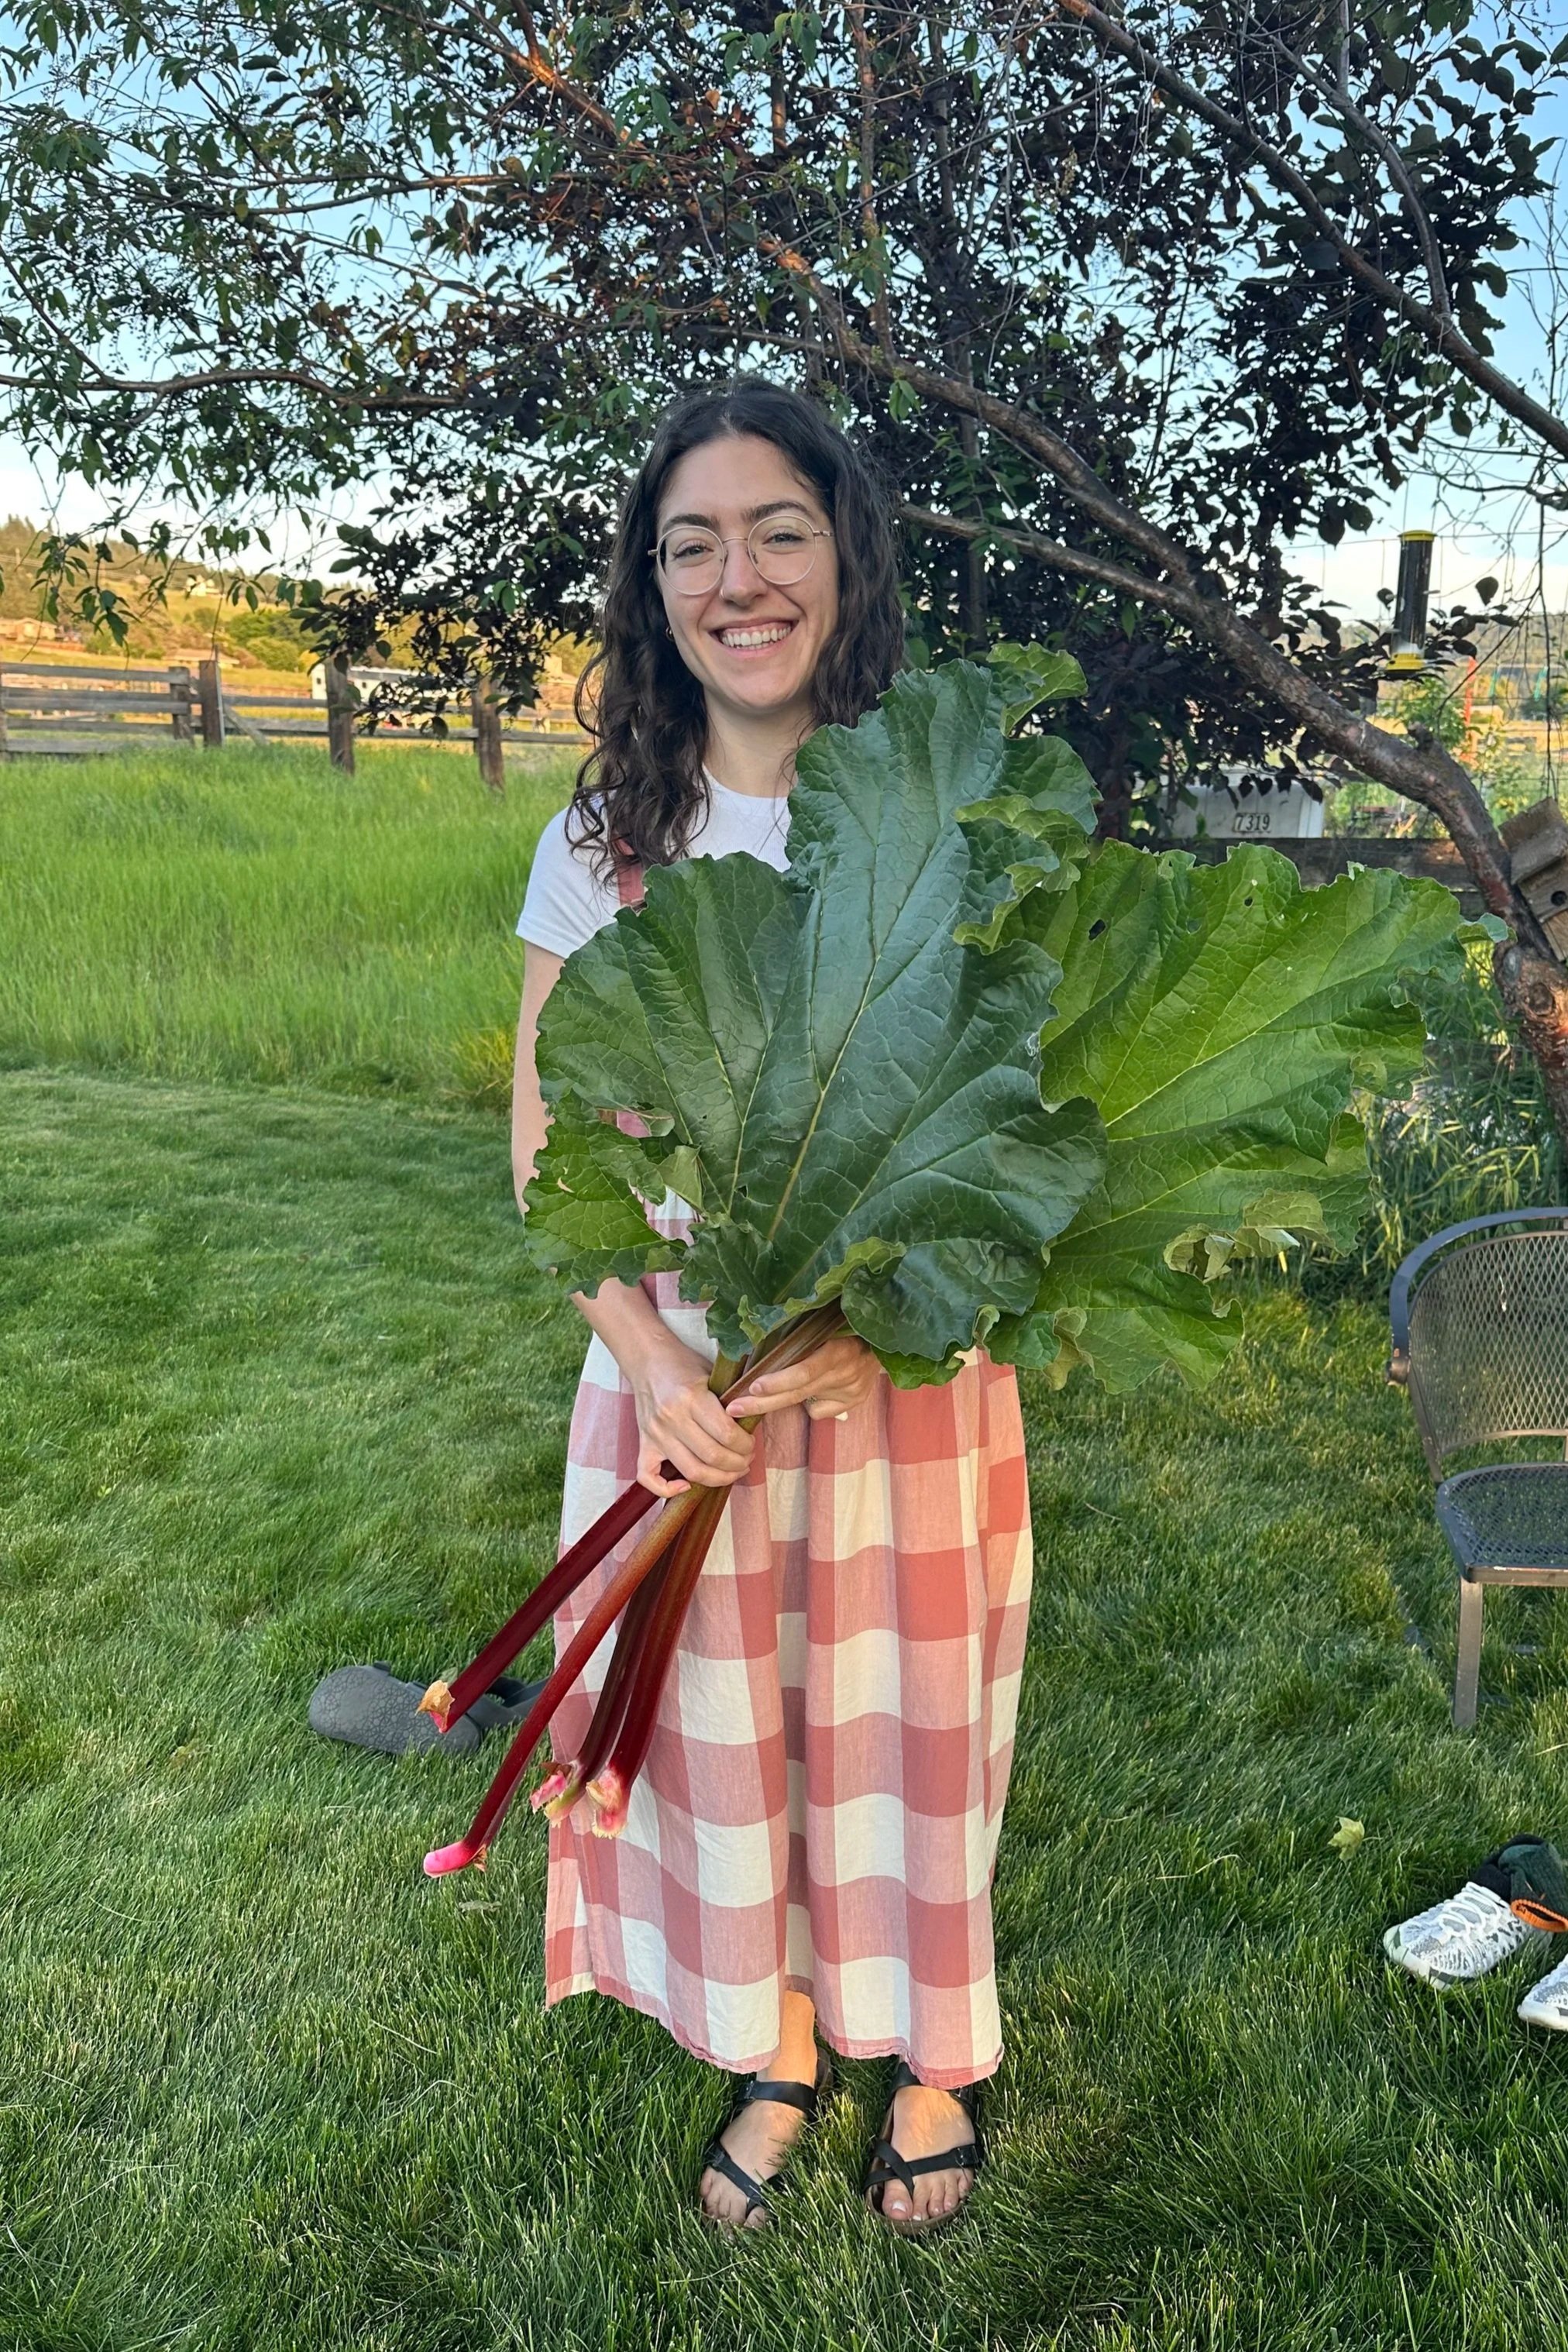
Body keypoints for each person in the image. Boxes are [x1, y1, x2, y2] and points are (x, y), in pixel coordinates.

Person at [512, 379, 1032, 2233]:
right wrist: (653, 1357)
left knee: (905, 1735)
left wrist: (857, 1338)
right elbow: (539, 1139)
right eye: (690, 543)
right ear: (653, 589)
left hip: (901, 1377)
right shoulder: (606, 838)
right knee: (733, 1736)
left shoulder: (955, 802)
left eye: (777, 530)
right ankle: (784, 2035)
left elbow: (1045, 1130)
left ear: (844, 554)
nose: (736, 575)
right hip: (685, 1389)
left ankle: (933, 2059)